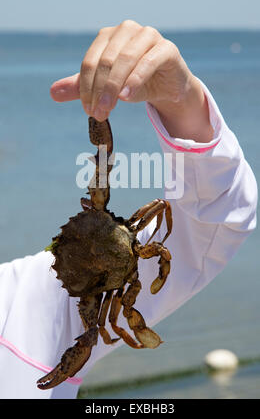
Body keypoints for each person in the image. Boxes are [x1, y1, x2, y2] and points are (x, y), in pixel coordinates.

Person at [0, 20, 257, 399]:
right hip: (107, 284)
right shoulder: (67, 303)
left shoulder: (26, 307)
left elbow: (217, 217)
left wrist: (180, 102)